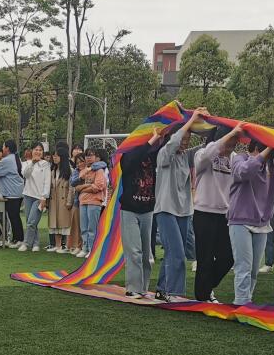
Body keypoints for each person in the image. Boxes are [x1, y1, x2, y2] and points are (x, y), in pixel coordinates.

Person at [152, 109, 207, 301]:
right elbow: (174, 141)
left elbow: (208, 145)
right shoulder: (164, 154)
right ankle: (172, 292)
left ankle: (163, 289)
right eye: (183, 138)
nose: (185, 141)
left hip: (183, 211)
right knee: (176, 253)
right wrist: (190, 120)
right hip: (166, 209)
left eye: (188, 139)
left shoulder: (185, 156)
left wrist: (204, 119)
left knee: (176, 253)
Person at [227, 136, 274, 306]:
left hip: (261, 222)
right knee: (243, 266)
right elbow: (244, 172)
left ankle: (247, 298)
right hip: (240, 220)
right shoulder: (240, 158)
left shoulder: (273, 165)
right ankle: (241, 301)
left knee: (253, 269)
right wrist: (268, 149)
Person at [191, 125, 238, 302]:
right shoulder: (202, 154)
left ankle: (205, 288)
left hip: (224, 215)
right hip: (203, 213)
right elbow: (206, 156)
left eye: (233, 144)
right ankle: (203, 297)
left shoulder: (234, 158)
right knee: (205, 258)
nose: (230, 148)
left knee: (228, 257)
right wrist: (224, 139)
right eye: (228, 144)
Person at [118, 133, 161, 298]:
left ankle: (143, 288)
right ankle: (133, 288)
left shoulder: (153, 156)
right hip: (130, 210)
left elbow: (167, 146)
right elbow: (131, 162)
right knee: (134, 251)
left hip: (148, 210)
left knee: (147, 254)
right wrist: (150, 141)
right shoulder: (128, 156)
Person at [74, 148, 109, 258]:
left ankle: (92, 249)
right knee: (84, 227)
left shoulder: (99, 170)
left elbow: (98, 186)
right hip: (83, 201)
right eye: (87, 155)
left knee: (92, 228)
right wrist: (87, 186)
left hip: (94, 201)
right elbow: (76, 185)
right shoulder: (84, 170)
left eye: (91, 155)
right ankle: (85, 248)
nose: (88, 157)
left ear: (96, 157)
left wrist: (83, 188)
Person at [21, 143, 51, 252]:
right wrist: (32, 163)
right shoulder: (26, 163)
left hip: (39, 197)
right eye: (36, 149)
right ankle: (35, 243)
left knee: (31, 222)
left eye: (40, 150)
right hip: (28, 195)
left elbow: (47, 181)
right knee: (31, 221)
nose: (38, 152)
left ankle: (26, 243)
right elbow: (26, 175)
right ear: (32, 151)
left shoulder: (45, 164)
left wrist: (44, 197)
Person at [46, 147, 74, 253]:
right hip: (54, 200)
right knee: (55, 223)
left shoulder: (69, 171)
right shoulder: (52, 170)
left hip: (64, 199)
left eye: (57, 155)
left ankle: (65, 245)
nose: (54, 157)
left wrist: (69, 201)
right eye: (53, 155)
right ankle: (57, 245)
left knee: (65, 223)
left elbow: (71, 187)